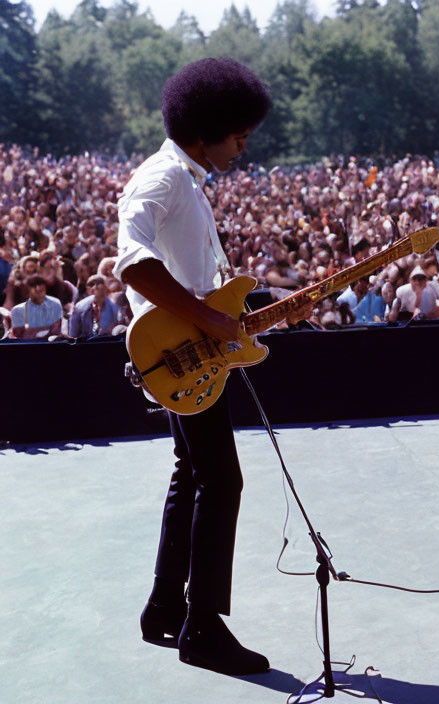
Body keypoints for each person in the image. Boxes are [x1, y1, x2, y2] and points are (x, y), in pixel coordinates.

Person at [113, 57, 296, 677]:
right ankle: (205, 629)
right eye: (240, 135)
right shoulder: (162, 179)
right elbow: (132, 265)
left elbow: (196, 280)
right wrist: (212, 321)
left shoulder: (185, 180)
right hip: (179, 351)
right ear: (209, 126)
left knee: (191, 473)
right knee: (222, 482)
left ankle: (165, 608)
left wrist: (236, 312)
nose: (244, 148)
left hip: (191, 352)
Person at [10, 274, 63, 339]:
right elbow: (18, 334)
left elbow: (56, 331)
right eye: (35, 289)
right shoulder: (17, 310)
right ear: (28, 290)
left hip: (50, 345)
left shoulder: (55, 304)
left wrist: (32, 331)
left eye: (41, 290)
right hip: (26, 346)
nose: (38, 289)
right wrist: (45, 329)